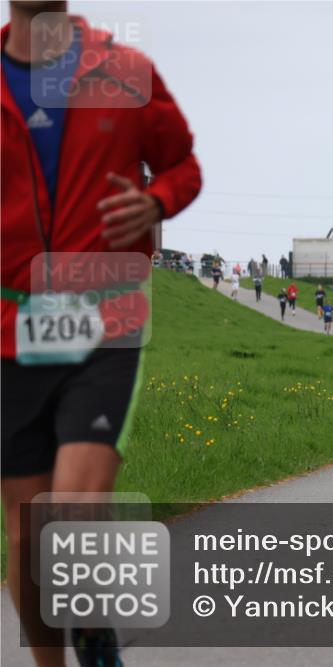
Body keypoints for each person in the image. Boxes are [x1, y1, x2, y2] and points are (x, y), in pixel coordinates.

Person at [1, 4, 201, 666]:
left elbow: (182, 167)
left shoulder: (125, 71)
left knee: (74, 511)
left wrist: (156, 201)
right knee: (30, 538)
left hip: (105, 320)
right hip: (9, 330)